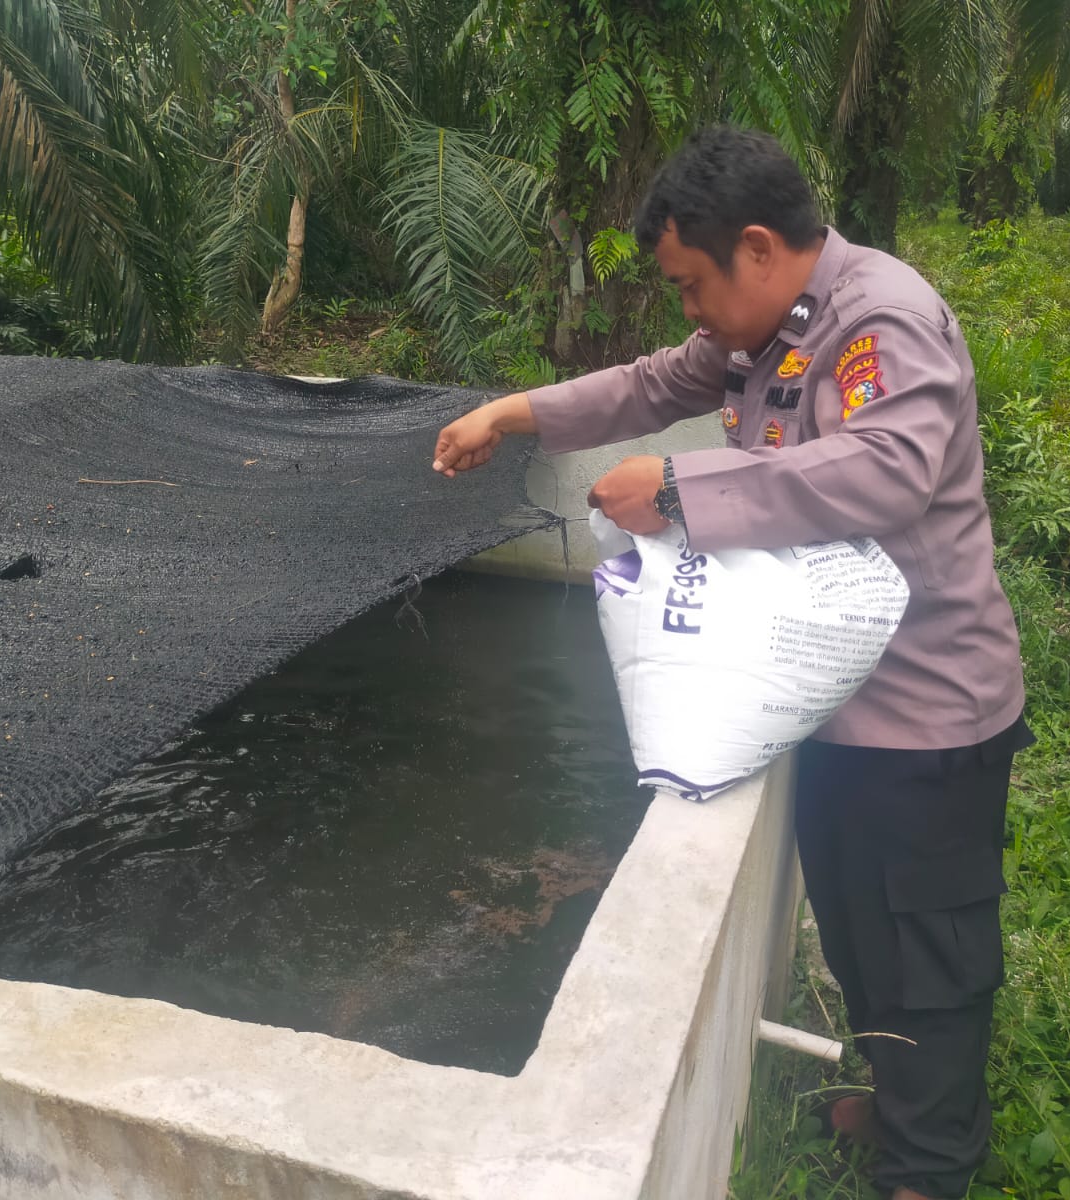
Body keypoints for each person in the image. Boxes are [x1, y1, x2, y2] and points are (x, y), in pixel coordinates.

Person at [431, 124, 1031, 1200]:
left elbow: (889, 471)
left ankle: (930, 1173)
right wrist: (509, 415)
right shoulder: (772, 328)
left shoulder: (879, 321)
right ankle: (902, 1113)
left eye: (693, 285)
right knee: (856, 927)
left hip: (927, 711)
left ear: (757, 247)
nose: (690, 312)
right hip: (834, 703)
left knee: (928, 952)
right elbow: (650, 383)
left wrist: (676, 492)